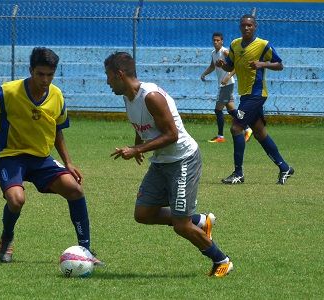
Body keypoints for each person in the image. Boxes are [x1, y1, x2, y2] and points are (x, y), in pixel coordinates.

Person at [0, 47, 103, 265]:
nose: (45, 80)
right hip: (9, 156)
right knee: (16, 200)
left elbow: (57, 129)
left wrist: (68, 162)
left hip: (41, 159)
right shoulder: (8, 92)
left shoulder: (57, 96)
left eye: (50, 75)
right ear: (30, 70)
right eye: (40, 74)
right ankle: (7, 236)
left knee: (75, 189)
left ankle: (86, 251)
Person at [104, 51, 233, 277]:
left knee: (181, 226)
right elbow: (141, 126)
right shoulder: (128, 96)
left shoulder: (151, 96)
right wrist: (137, 146)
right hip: (162, 161)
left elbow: (171, 135)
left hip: (183, 159)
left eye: (108, 76)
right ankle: (200, 221)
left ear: (119, 74)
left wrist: (137, 149)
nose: (107, 82)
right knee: (143, 213)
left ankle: (221, 260)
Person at [216, 15, 294, 185]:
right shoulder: (235, 44)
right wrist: (223, 65)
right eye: (244, 25)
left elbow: (279, 65)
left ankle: (238, 173)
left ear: (255, 27)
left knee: (236, 128)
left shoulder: (263, 44)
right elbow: (231, 65)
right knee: (259, 133)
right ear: (240, 27)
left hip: (257, 94)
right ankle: (285, 167)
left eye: (250, 25)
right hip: (245, 94)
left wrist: (262, 64)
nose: (246, 28)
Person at [200, 32, 253, 143]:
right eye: (214, 40)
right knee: (232, 110)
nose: (215, 42)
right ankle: (247, 128)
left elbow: (236, 65)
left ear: (222, 41)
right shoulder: (214, 53)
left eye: (218, 40)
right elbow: (212, 66)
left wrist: (228, 76)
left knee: (218, 110)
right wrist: (204, 73)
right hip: (222, 85)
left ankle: (220, 137)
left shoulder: (225, 52)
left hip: (227, 84)